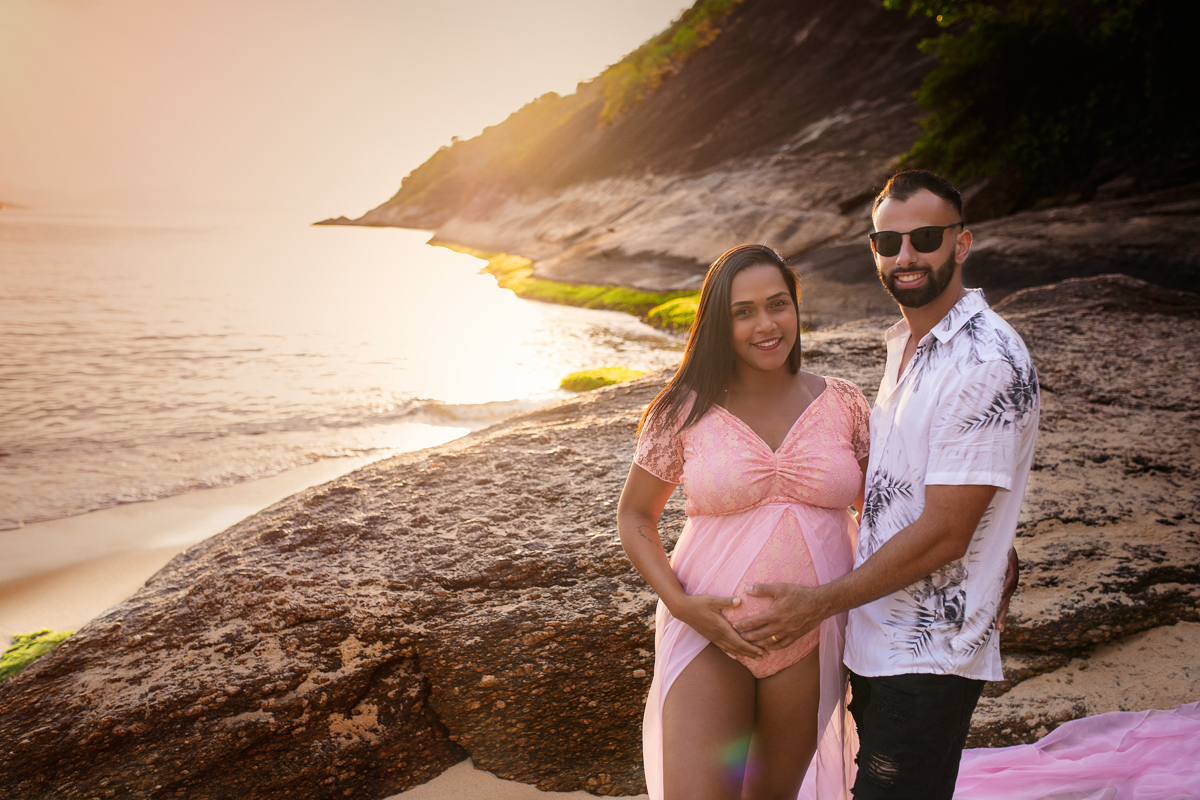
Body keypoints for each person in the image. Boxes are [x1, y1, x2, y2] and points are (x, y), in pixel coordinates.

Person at [734, 169, 1040, 800]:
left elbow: (946, 533)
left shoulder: (984, 361)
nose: (906, 256)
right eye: (887, 242)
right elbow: (907, 483)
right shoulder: (911, 343)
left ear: (961, 243)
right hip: (878, 637)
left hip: (931, 652)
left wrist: (818, 602)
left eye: (925, 238)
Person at [617, 244, 870, 800]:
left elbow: (884, 511)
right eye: (743, 312)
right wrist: (681, 604)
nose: (766, 325)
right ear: (718, 323)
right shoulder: (682, 408)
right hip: (707, 630)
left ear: (796, 306)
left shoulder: (845, 404)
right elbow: (634, 515)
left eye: (778, 304)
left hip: (810, 635)